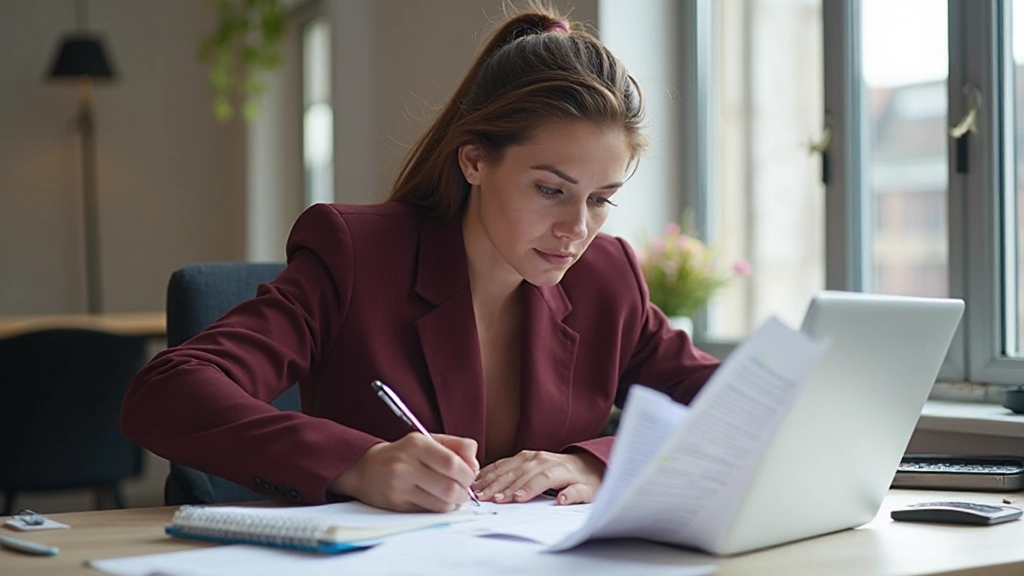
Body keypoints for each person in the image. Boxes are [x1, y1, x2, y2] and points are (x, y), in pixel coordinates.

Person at [120, 4, 720, 514]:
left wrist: (598, 464)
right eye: (550, 190)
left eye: (601, 199)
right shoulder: (356, 255)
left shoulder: (607, 278)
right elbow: (167, 392)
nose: (576, 229)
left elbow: (736, 408)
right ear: (475, 162)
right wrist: (358, 464)